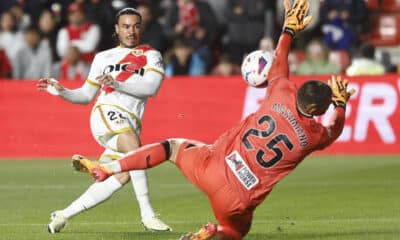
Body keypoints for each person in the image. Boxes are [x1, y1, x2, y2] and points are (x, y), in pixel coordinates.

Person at [72, 1, 355, 239]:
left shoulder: (280, 92)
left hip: (213, 167)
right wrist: (340, 105)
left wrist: (289, 29)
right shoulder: (315, 135)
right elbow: (334, 128)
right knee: (235, 230)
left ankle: (110, 167)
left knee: (171, 147)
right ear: (319, 111)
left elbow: (280, 59)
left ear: (297, 91)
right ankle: (213, 233)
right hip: (238, 199)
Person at [37, 7, 171, 233]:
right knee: (133, 146)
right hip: (106, 112)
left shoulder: (152, 55)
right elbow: (86, 96)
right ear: (117, 29)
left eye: (136, 26)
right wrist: (63, 92)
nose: (131, 31)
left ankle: (63, 215)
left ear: (142, 28)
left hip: (129, 121)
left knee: (122, 175)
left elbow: (151, 88)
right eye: (126, 27)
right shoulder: (102, 57)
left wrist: (118, 83)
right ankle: (147, 214)